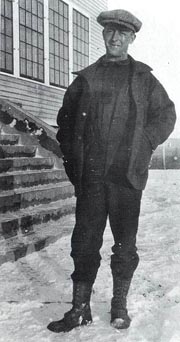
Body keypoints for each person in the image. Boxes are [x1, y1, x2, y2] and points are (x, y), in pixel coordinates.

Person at [47, 9, 176, 333]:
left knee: (125, 245)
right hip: (91, 177)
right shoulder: (86, 79)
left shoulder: (144, 79)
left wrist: (146, 140)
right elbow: (64, 123)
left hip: (126, 178)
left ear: (132, 38)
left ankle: (119, 306)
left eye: (122, 33)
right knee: (84, 244)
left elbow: (166, 115)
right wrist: (74, 158)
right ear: (103, 35)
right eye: (110, 32)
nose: (115, 38)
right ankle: (80, 309)